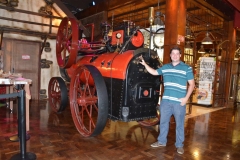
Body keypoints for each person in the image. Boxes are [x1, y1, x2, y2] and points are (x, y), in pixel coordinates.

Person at [139, 46, 195, 154]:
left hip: (179, 102)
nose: (174, 55)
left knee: (179, 125)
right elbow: (154, 72)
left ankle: (179, 145)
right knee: (163, 122)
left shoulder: (186, 68)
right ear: (170, 55)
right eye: (172, 53)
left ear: (180, 55)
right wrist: (145, 64)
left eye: (177, 53)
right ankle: (161, 141)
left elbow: (192, 84)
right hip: (166, 102)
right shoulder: (165, 67)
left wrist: (186, 99)